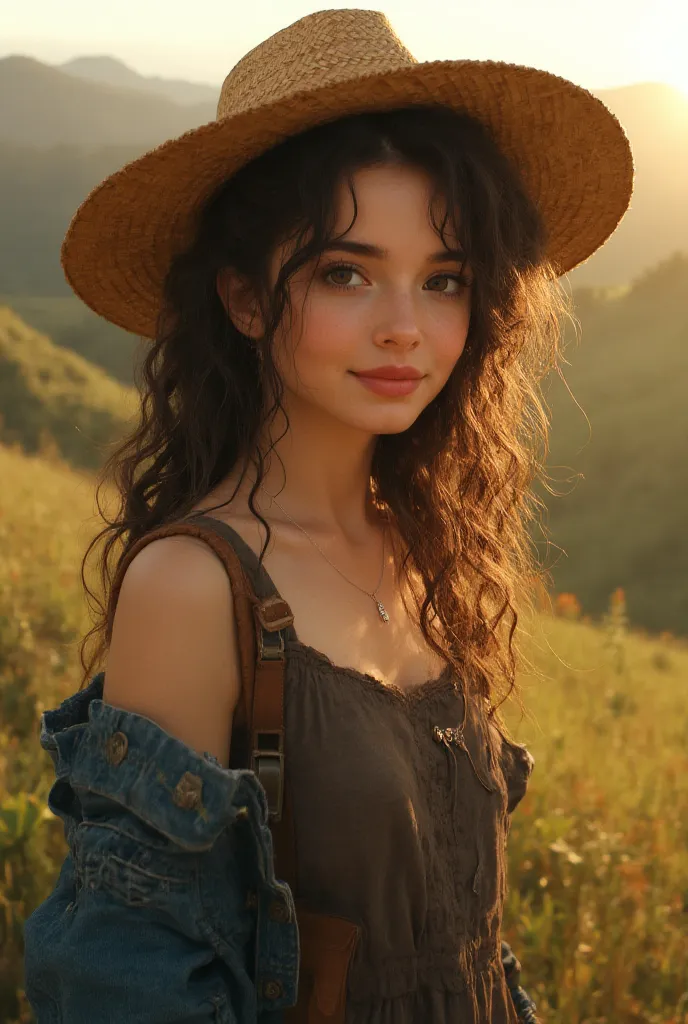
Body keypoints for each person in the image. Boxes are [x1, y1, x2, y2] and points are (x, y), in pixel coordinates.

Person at [23, 8, 633, 1023]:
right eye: (345, 272)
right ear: (246, 298)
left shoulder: (428, 549)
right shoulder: (194, 587)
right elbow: (126, 982)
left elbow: (465, 935)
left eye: (442, 280)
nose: (406, 327)